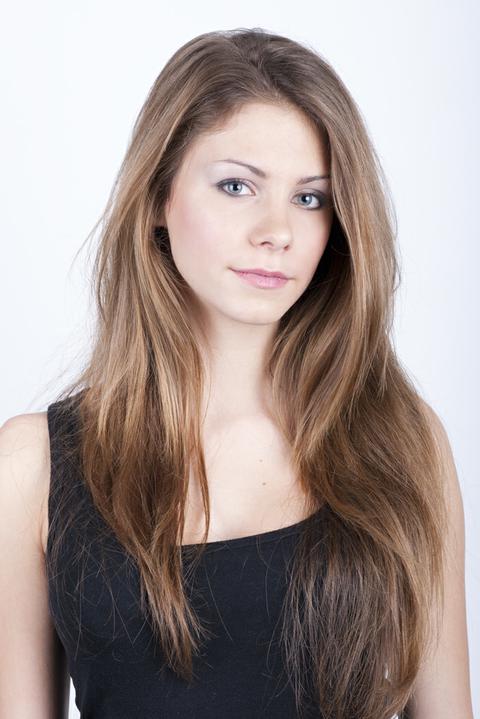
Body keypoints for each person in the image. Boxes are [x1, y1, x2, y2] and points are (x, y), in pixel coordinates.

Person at [0, 27, 474, 719]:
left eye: (310, 198)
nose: (276, 230)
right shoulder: (32, 468)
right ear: (158, 197)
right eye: (236, 186)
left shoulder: (400, 441)